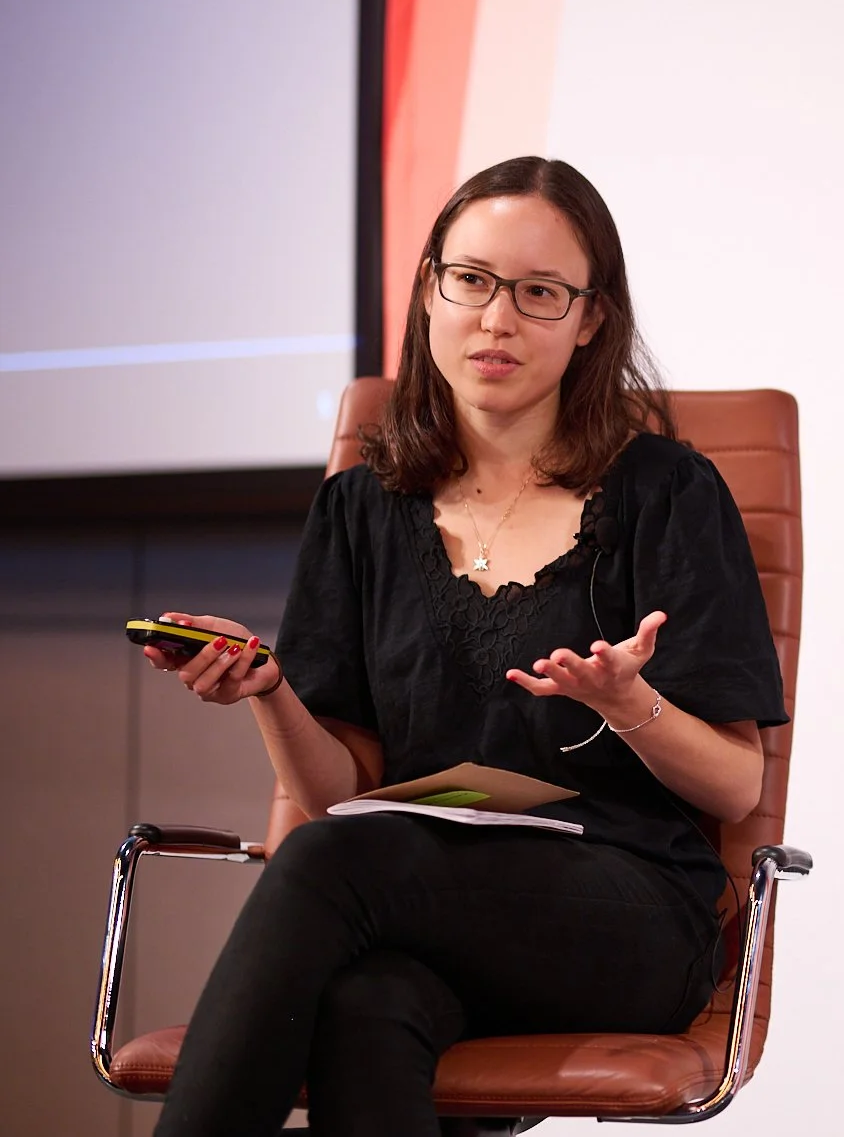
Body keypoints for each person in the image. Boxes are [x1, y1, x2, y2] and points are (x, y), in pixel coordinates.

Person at [147, 156, 788, 1136]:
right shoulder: (361, 507)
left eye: (539, 294)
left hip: (627, 911)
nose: (497, 318)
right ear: (429, 291)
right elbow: (339, 783)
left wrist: (633, 707)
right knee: (369, 1006)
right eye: (473, 280)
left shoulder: (665, 494)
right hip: (422, 895)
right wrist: (271, 690)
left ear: (590, 321)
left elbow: (736, 789)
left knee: (326, 862)